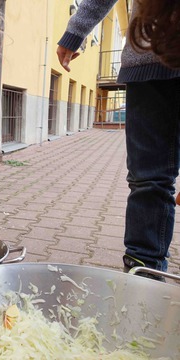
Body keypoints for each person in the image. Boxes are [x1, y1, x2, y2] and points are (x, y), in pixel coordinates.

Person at [57, 0, 180, 281]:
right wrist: (76, 31)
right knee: (147, 180)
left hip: (151, 53)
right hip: (149, 63)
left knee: (149, 181)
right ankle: (143, 274)